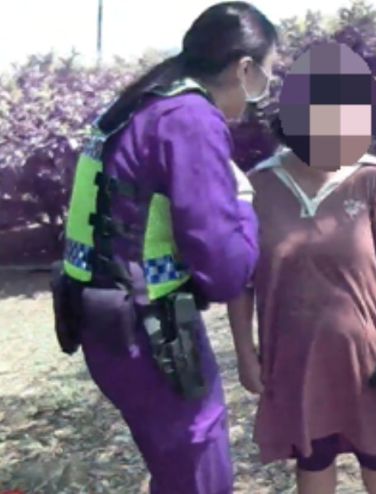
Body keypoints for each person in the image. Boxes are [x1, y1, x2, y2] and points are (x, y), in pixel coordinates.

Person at [50, 3, 278, 493]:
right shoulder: (190, 118)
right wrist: (242, 205)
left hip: (101, 324)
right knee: (198, 469)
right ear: (244, 69)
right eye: (266, 77)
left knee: (172, 467)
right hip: (151, 335)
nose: (260, 97)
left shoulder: (138, 104)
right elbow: (225, 270)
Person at [227, 43, 376, 494]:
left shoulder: (374, 182)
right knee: (313, 454)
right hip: (295, 359)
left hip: (369, 358)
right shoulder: (259, 186)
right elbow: (240, 284)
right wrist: (246, 353)